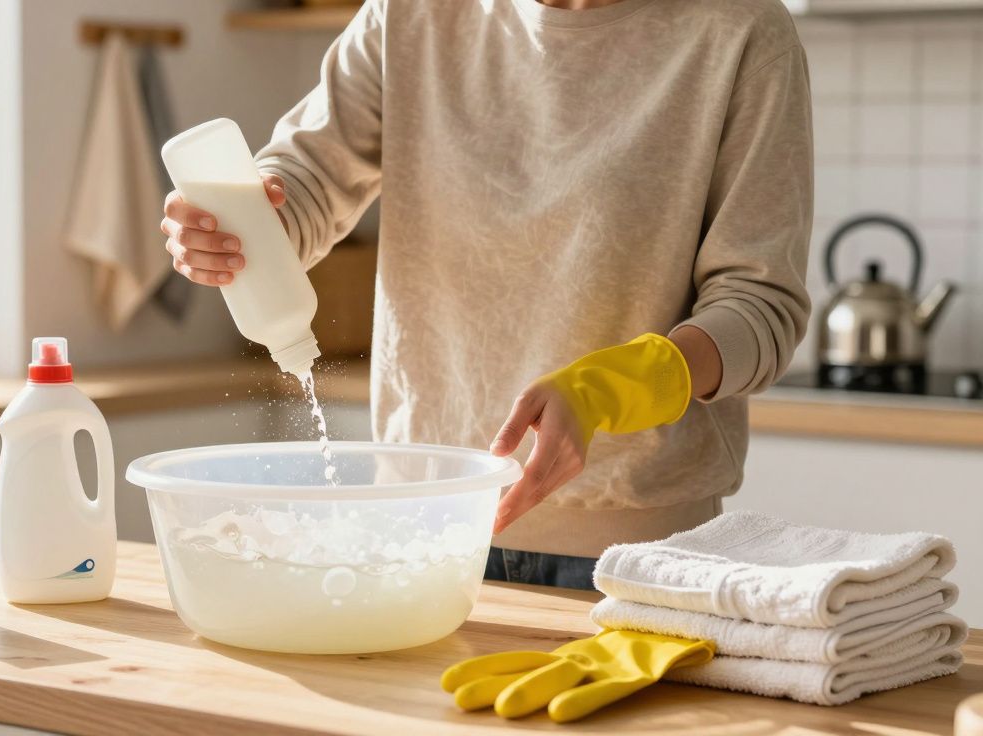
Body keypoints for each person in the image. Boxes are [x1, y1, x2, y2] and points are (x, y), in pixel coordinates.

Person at [159, 0, 813, 590]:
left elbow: (761, 308)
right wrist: (244, 226)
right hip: (421, 530)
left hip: (639, 556)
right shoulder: (410, 15)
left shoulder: (742, 33)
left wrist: (615, 387)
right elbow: (303, 183)